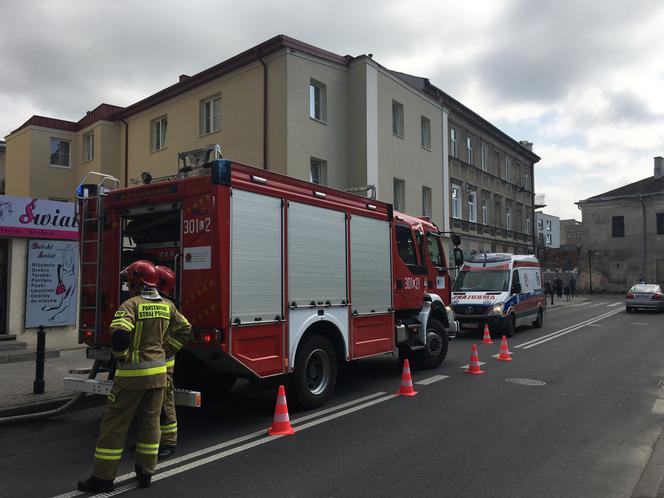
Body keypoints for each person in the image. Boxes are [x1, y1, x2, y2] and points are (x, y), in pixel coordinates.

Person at [78, 260, 179, 492]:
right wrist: (168, 349)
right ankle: (145, 473)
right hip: (158, 376)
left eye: (128, 280)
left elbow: (121, 335)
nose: (126, 285)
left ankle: (103, 479)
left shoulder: (130, 305)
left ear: (136, 281)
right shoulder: (167, 305)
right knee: (151, 423)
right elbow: (184, 328)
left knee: (114, 425)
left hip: (131, 377)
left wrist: (120, 355)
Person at [155, 265, 191, 461]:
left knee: (165, 405)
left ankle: (169, 442)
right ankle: (151, 440)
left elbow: (185, 329)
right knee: (152, 407)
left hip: (163, 365)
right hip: (153, 364)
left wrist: (169, 350)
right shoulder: (161, 304)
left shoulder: (167, 306)